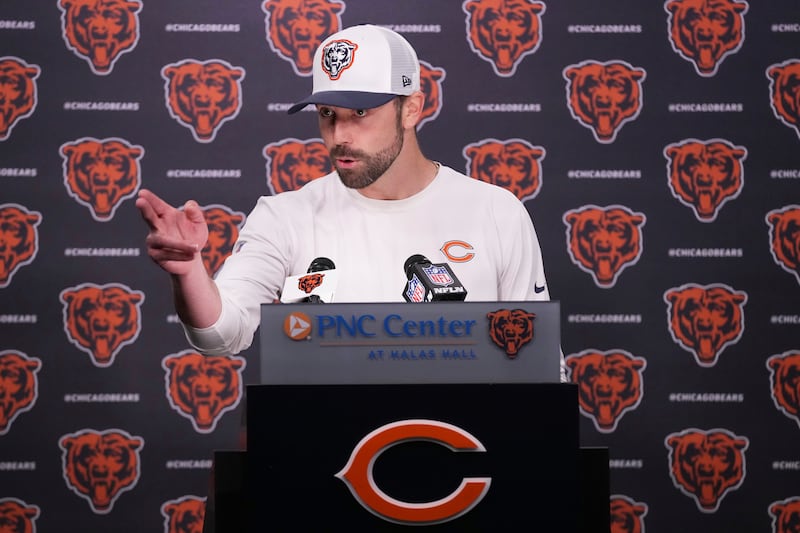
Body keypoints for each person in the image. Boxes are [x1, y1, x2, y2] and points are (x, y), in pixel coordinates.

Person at [137, 24, 564, 379]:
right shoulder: (285, 216)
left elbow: (538, 366)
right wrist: (189, 271)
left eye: (360, 114)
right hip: (324, 461)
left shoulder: (494, 212)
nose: (339, 136)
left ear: (412, 108)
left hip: (465, 455)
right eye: (327, 114)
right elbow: (221, 336)